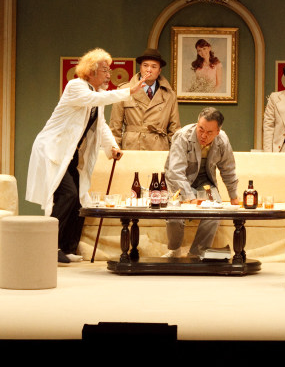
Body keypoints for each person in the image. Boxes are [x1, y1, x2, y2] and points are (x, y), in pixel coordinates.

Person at [26, 48, 149, 263]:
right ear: (91, 72)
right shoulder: (76, 87)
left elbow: (101, 125)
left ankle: (67, 248)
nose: (109, 75)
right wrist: (129, 91)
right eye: (105, 70)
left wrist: (112, 147)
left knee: (80, 201)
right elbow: (98, 99)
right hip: (53, 150)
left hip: (70, 154)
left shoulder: (96, 95)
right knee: (68, 195)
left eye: (110, 70)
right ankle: (48, 247)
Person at [163, 107, 240, 258]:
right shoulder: (182, 136)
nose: (203, 135)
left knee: (215, 211)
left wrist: (233, 196)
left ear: (218, 131)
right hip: (181, 183)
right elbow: (175, 172)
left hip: (205, 184)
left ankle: (196, 254)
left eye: (209, 132)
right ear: (197, 123)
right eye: (201, 129)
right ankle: (174, 249)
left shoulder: (222, 140)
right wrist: (190, 198)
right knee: (174, 214)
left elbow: (228, 169)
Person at [109, 48, 181, 150]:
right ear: (140, 67)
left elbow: (174, 129)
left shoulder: (169, 95)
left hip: (159, 148)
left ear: (159, 70)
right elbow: (115, 127)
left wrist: (175, 153)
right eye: (145, 65)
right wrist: (115, 150)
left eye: (154, 66)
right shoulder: (124, 91)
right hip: (133, 147)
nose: (149, 70)